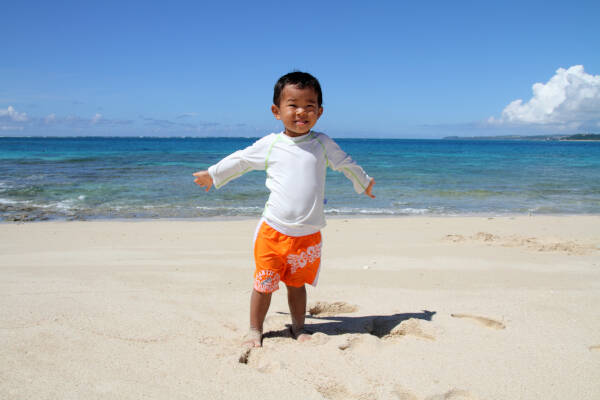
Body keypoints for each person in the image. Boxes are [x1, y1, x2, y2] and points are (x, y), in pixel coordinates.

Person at [193, 71, 375, 348]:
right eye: (293, 104)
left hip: (308, 235)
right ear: (277, 111)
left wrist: (363, 182)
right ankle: (255, 329)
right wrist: (212, 174)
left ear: (320, 111)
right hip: (273, 232)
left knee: (296, 284)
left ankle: (299, 326)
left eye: (309, 106)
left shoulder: (322, 143)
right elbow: (241, 160)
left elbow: (345, 163)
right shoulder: (271, 144)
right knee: (264, 283)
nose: (301, 112)